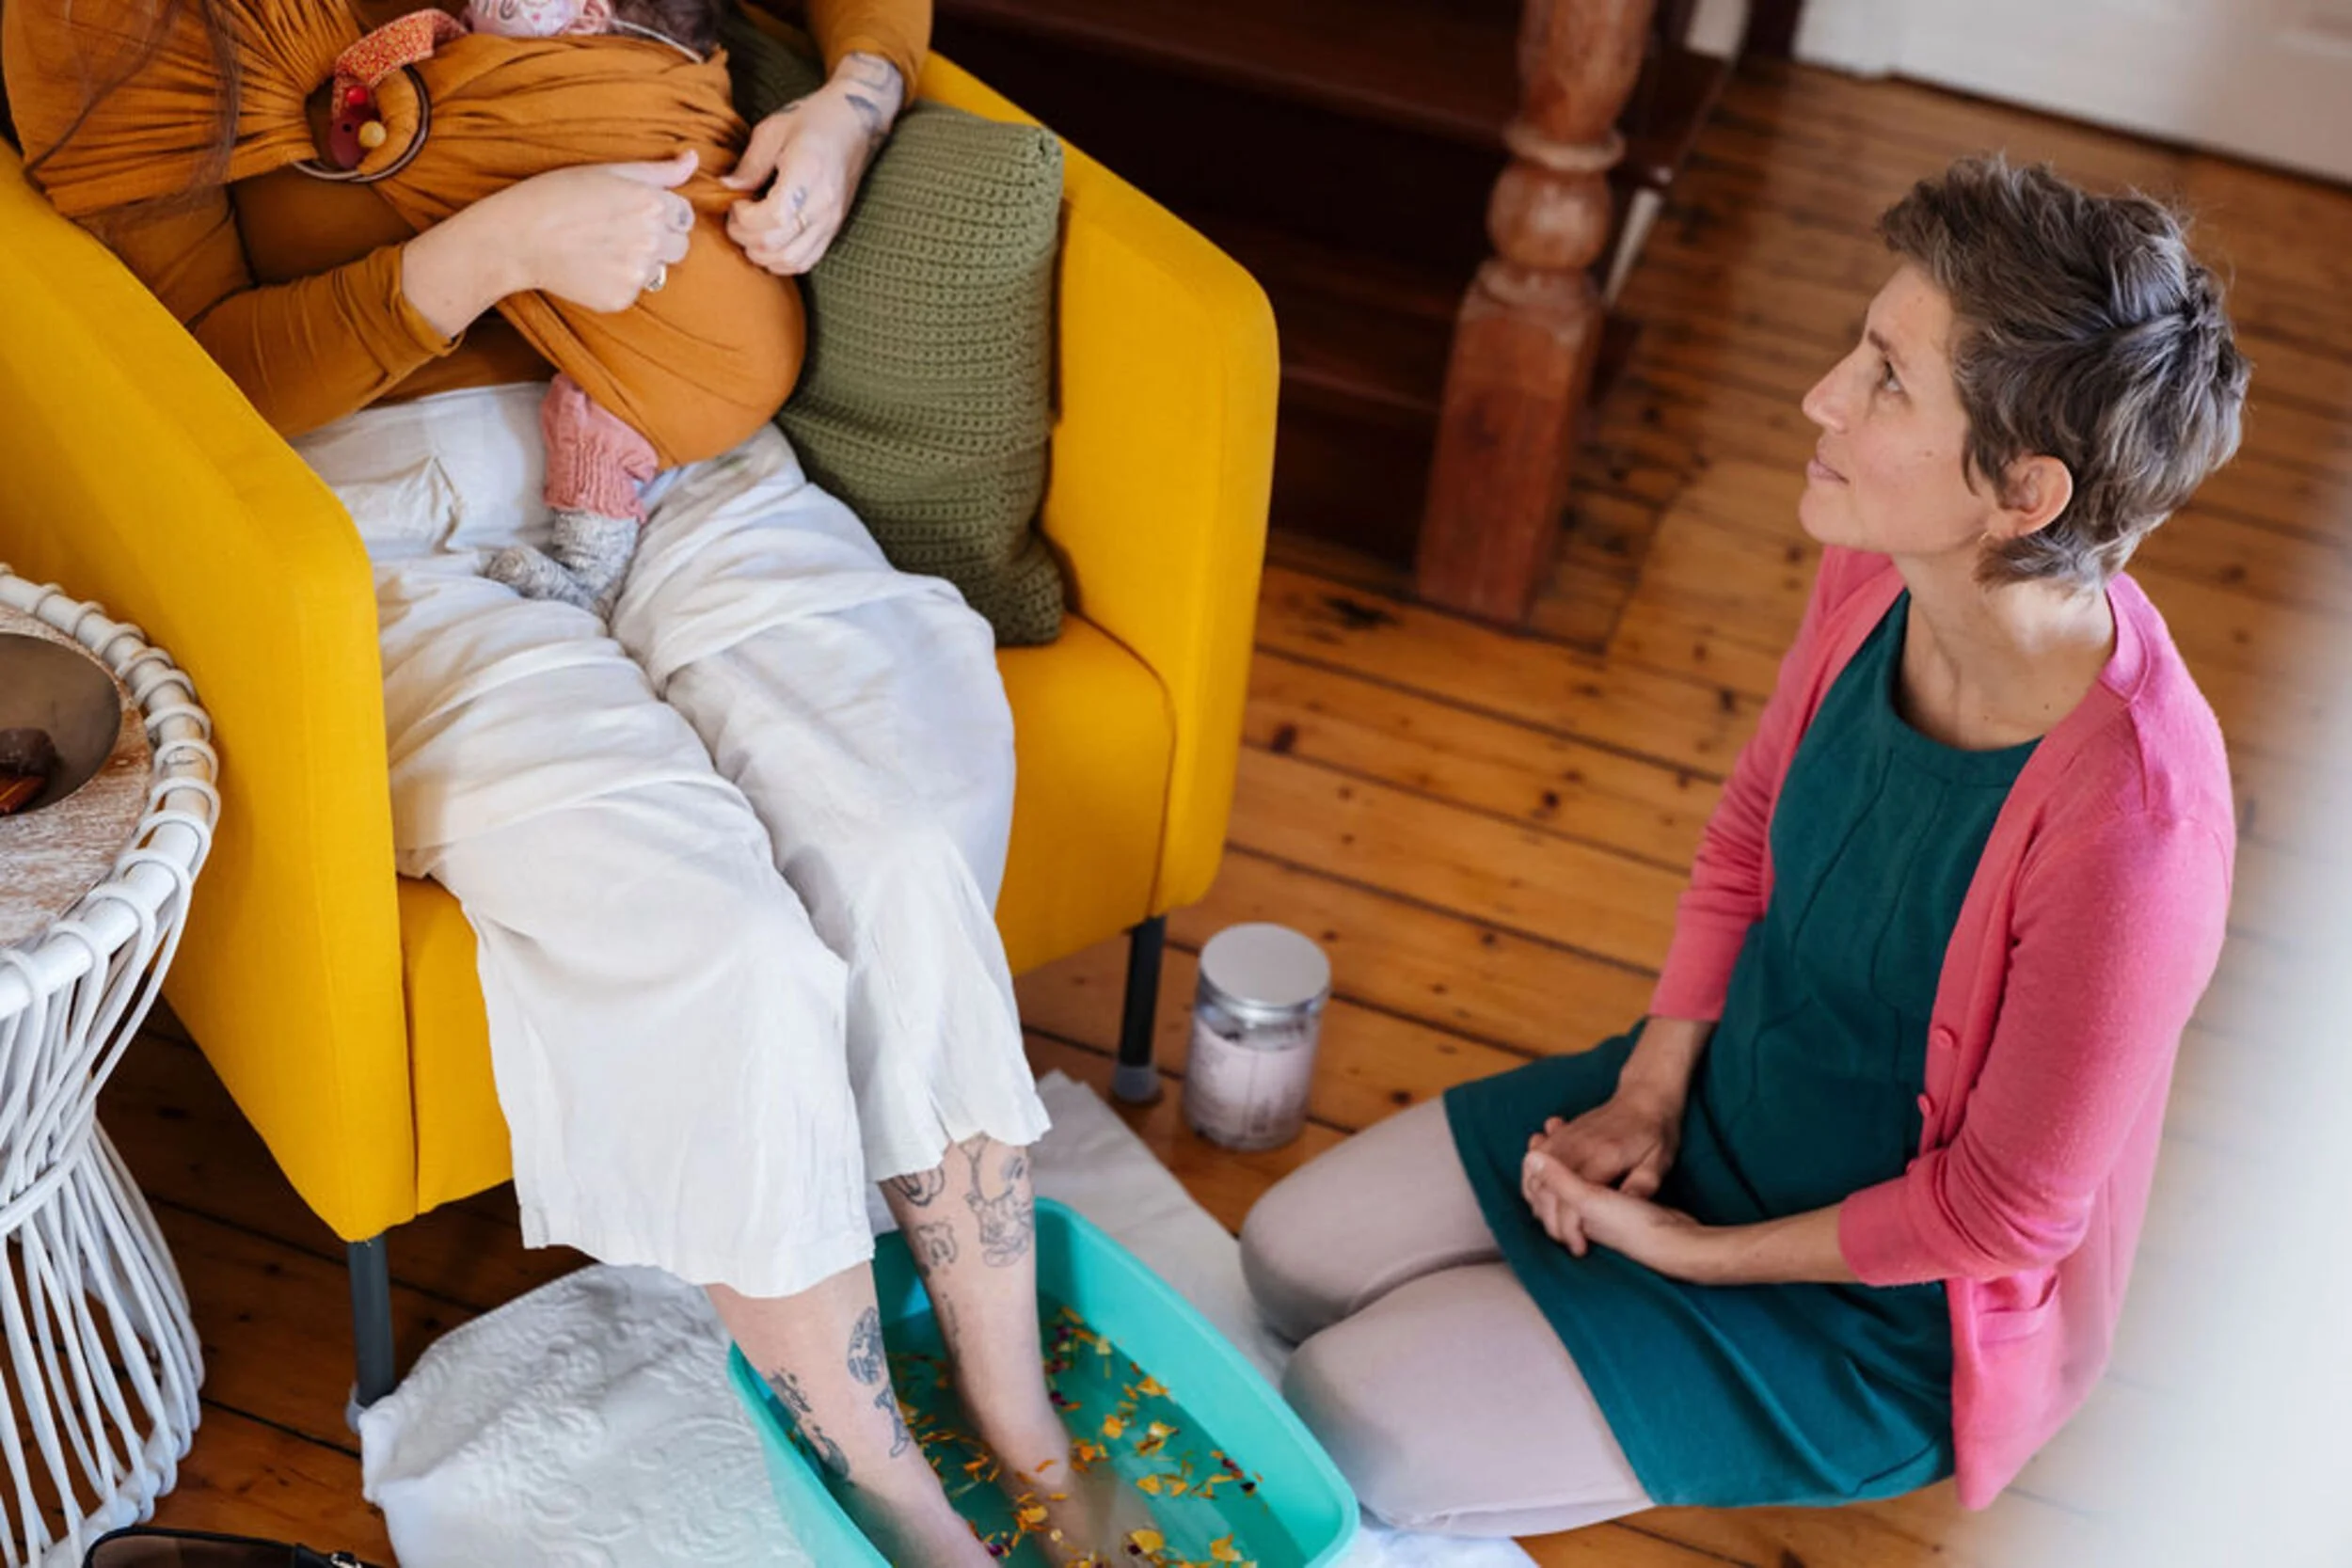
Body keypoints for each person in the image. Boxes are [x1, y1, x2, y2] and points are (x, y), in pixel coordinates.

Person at [3, 0, 1095, 1561]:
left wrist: (854, 104)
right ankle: (889, 1489)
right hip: (361, 521)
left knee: (900, 835)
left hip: (681, 447)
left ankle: (1018, 1403)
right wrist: (487, 252)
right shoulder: (141, 29)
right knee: (720, 940)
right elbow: (190, 386)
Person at [1239, 156, 2249, 1536]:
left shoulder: (2140, 834)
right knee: (1289, 1264)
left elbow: (2000, 1215)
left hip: (1872, 1308)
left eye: (1888, 378)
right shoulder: (1875, 563)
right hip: (1718, 1107)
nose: (1821, 397)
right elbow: (1742, 839)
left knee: (1356, 1422)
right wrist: (1650, 1095)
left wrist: (1700, 1259)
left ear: (2023, 492)